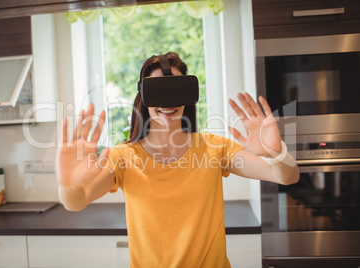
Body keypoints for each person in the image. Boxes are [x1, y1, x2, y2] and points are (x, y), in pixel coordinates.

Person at [56, 52, 299, 267]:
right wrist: (69, 186)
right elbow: (76, 203)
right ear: (143, 96)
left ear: (187, 96)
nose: (167, 102)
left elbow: (287, 176)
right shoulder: (123, 157)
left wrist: (275, 153)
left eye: (175, 90)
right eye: (158, 91)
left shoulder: (215, 148)